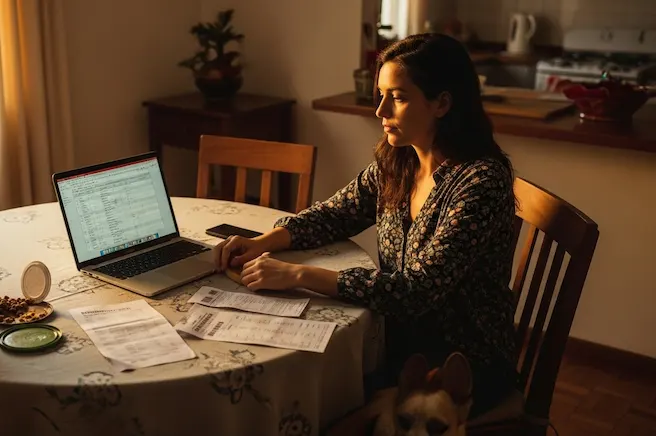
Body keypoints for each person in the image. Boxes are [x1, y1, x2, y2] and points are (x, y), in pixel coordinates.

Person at [212, 32, 518, 420]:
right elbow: (335, 213)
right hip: (397, 339)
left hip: (461, 363)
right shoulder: (400, 160)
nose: (381, 110)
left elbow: (416, 291)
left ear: (442, 102)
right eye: (382, 93)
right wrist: (263, 242)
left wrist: (296, 274)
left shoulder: (481, 182)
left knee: (320, 403)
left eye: (399, 97)